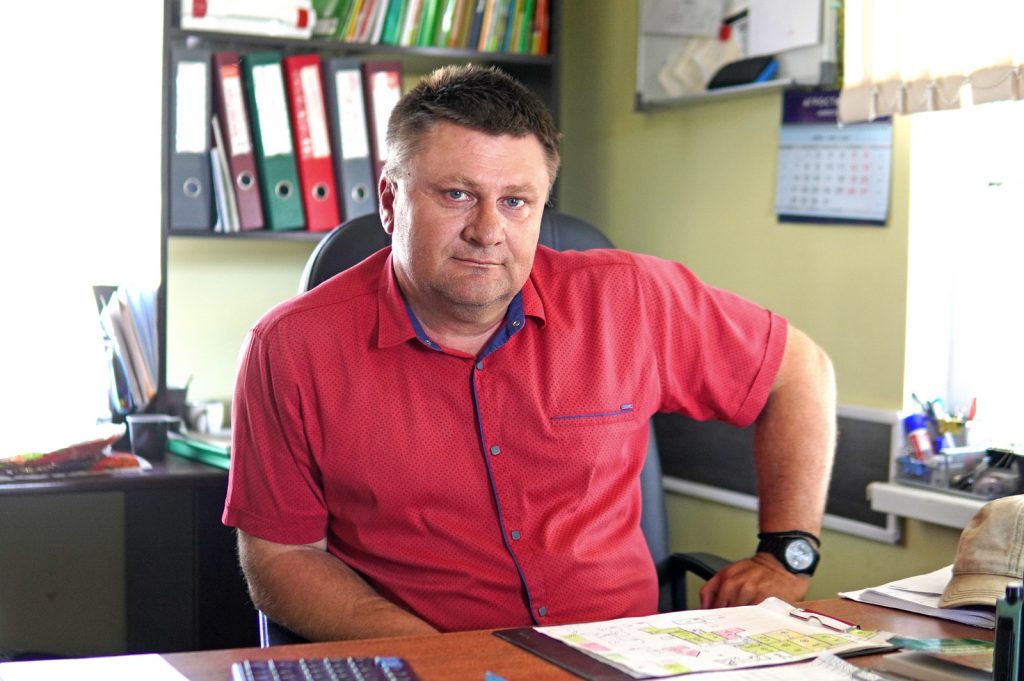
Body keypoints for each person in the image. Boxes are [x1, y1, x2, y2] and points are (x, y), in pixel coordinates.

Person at [223, 64, 836, 642]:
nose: (487, 232)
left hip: (620, 657)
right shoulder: (291, 349)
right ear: (390, 201)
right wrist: (452, 664)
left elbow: (801, 372)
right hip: (432, 661)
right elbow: (282, 559)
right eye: (457, 194)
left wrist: (786, 555)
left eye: (515, 201)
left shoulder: (629, 298)